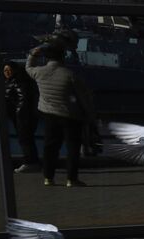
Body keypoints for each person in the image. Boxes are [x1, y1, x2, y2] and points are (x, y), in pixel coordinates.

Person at [26, 42, 95, 186]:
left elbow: (28, 68)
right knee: (72, 148)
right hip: (70, 117)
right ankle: (71, 179)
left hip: (49, 115)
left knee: (50, 147)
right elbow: (84, 97)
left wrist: (34, 53)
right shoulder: (70, 75)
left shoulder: (39, 72)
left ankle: (48, 177)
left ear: (47, 58)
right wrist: (89, 115)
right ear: (62, 57)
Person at [4, 60, 41, 172]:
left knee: (24, 139)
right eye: (5, 70)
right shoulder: (18, 80)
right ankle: (33, 162)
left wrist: (19, 113)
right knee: (27, 138)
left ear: (15, 70)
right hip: (20, 115)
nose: (7, 72)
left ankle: (29, 162)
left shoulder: (17, 81)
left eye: (9, 70)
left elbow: (22, 99)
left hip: (21, 116)